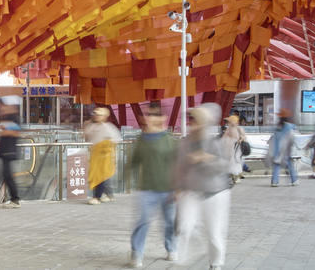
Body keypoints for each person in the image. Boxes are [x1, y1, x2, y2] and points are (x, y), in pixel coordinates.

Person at [175, 103, 233, 270]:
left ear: (204, 122)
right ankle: (191, 253)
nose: (191, 123)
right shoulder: (184, 143)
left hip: (215, 192)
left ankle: (215, 263)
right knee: (184, 226)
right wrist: (177, 188)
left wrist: (206, 158)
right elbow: (179, 167)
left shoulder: (214, 143)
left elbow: (224, 166)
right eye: (190, 119)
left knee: (214, 233)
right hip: (191, 192)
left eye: (195, 120)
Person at [126, 104, 178, 269]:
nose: (150, 117)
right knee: (143, 221)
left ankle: (171, 247)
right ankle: (137, 252)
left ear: (163, 118)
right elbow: (134, 161)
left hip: (168, 189)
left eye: (155, 115)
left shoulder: (169, 140)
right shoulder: (141, 140)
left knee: (169, 222)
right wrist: (125, 178)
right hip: (147, 188)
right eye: (148, 114)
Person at [83, 106, 122, 204]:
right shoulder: (92, 126)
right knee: (100, 176)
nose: (96, 116)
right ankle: (109, 195)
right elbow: (87, 137)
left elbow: (115, 140)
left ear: (104, 116)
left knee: (101, 177)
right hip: (95, 156)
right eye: (95, 114)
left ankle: (97, 197)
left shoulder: (108, 127)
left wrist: (106, 148)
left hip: (105, 158)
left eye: (99, 115)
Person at [0, 111, 22, 207]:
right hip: (5, 151)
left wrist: (5, 132)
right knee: (5, 174)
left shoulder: (13, 117)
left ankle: (15, 199)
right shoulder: (8, 117)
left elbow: (17, 133)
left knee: (7, 175)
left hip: (9, 151)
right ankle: (13, 199)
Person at [268, 108, 297, 187]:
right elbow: (291, 139)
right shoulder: (289, 127)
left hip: (277, 149)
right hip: (286, 150)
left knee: (276, 164)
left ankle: (275, 181)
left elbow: (274, 138)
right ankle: (294, 180)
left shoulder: (278, 126)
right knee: (290, 164)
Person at [219, 113, 247, 186]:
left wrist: (240, 140)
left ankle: (236, 177)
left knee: (235, 162)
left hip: (236, 149)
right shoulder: (229, 129)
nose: (228, 123)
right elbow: (224, 139)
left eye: (230, 121)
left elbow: (243, 137)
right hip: (230, 149)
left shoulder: (238, 129)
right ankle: (233, 177)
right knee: (232, 162)